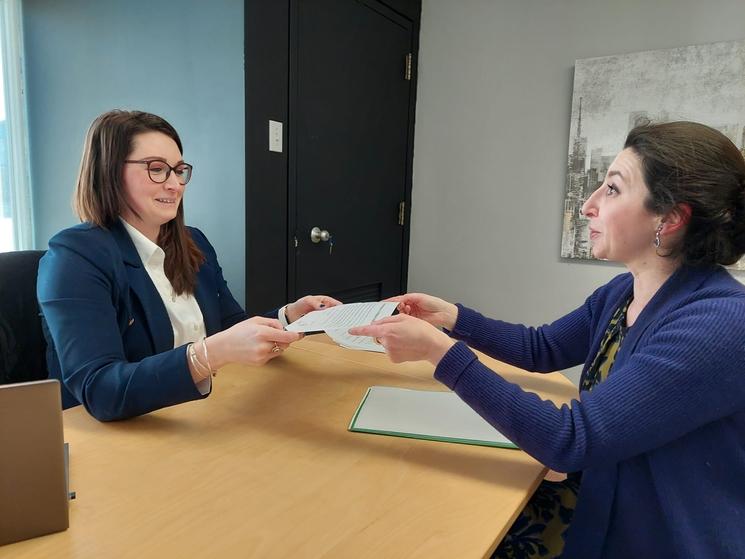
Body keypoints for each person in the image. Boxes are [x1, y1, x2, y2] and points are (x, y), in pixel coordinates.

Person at [351, 121, 745, 558]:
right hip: (604, 505)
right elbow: (542, 348)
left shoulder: (719, 323)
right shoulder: (623, 293)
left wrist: (439, 352)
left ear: (670, 219)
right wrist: (452, 317)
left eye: (612, 190)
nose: (588, 205)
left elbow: (573, 439)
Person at [38, 110, 340, 422]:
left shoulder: (192, 241)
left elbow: (229, 326)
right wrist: (209, 354)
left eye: (179, 171)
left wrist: (288, 316)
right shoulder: (73, 258)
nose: (175, 185)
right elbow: (101, 391)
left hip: (199, 416)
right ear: (109, 172)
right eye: (157, 169)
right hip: (113, 437)